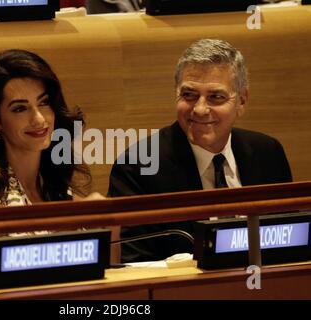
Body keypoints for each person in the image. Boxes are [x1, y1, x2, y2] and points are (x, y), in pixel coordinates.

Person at [108, 39, 292, 262]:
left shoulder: (267, 153)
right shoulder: (139, 166)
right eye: (189, 95)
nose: (200, 109)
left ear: (241, 102)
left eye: (216, 97)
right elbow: (136, 265)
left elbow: (291, 242)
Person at [0, 49, 102, 261]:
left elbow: (106, 274)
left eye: (44, 103)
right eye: (20, 109)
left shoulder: (58, 191)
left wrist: (108, 224)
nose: (39, 119)